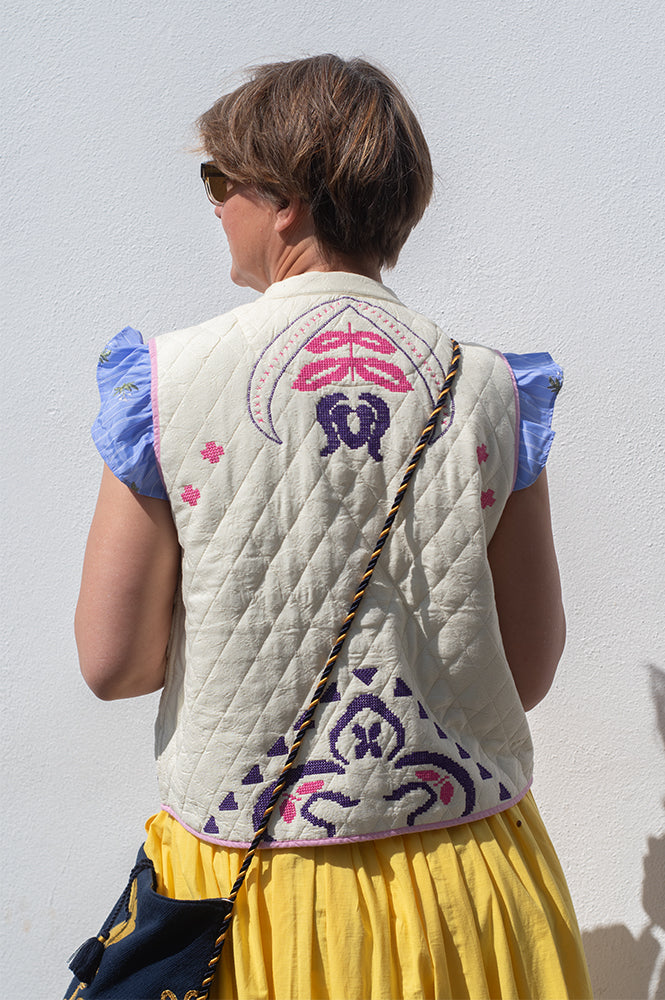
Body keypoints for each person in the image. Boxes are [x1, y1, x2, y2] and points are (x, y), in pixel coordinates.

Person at [73, 55, 592, 999]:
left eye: (219, 181)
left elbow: (116, 664)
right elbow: (527, 668)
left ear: (286, 202)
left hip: (254, 885)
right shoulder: (493, 388)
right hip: (467, 883)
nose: (214, 206)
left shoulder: (163, 384)